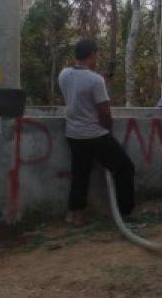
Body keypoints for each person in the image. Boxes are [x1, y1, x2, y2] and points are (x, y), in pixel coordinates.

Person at [58, 38, 135, 226]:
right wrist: (107, 129)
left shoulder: (64, 74)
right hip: (95, 135)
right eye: (96, 54)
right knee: (125, 168)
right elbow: (104, 110)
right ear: (92, 54)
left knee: (80, 174)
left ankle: (75, 215)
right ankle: (125, 212)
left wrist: (100, 80)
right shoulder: (95, 80)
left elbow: (79, 90)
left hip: (73, 134)